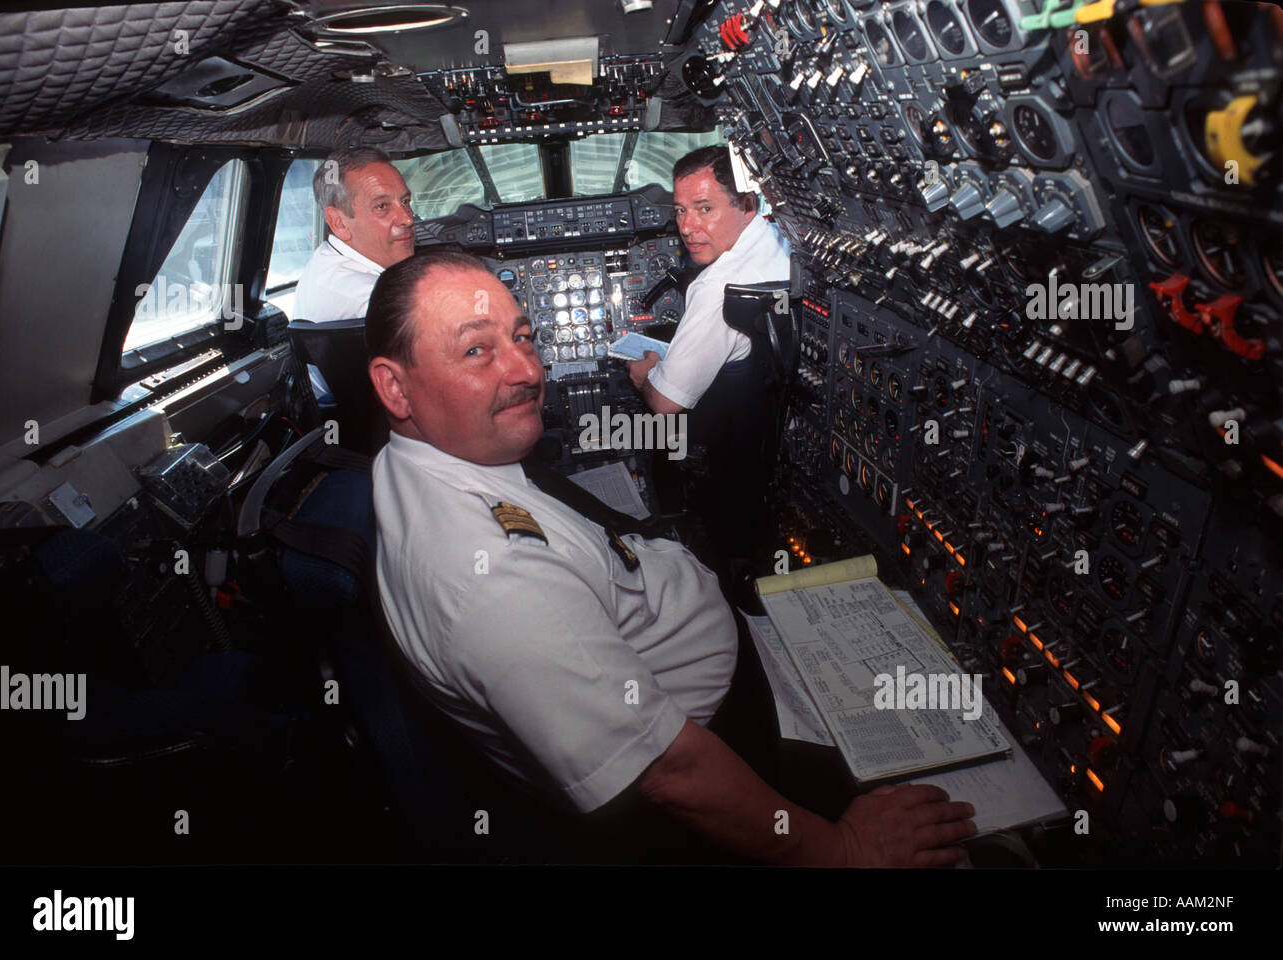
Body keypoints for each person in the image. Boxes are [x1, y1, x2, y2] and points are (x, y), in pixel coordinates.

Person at [366, 249, 976, 866]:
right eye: (476, 350)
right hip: (730, 745)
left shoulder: (421, 464)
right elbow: (671, 771)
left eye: (523, 336)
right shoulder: (493, 581)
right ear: (394, 386)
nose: (526, 368)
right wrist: (844, 850)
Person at [626, 145, 792, 574]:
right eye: (680, 210)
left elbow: (666, 404)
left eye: (705, 208)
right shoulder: (784, 244)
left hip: (727, 465)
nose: (687, 227)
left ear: (747, 204)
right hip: (769, 446)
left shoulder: (720, 285)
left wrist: (644, 373)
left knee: (636, 423)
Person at [293, 146, 416, 398]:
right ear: (338, 222)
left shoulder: (324, 261)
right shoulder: (370, 299)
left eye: (405, 201)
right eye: (382, 206)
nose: (407, 218)